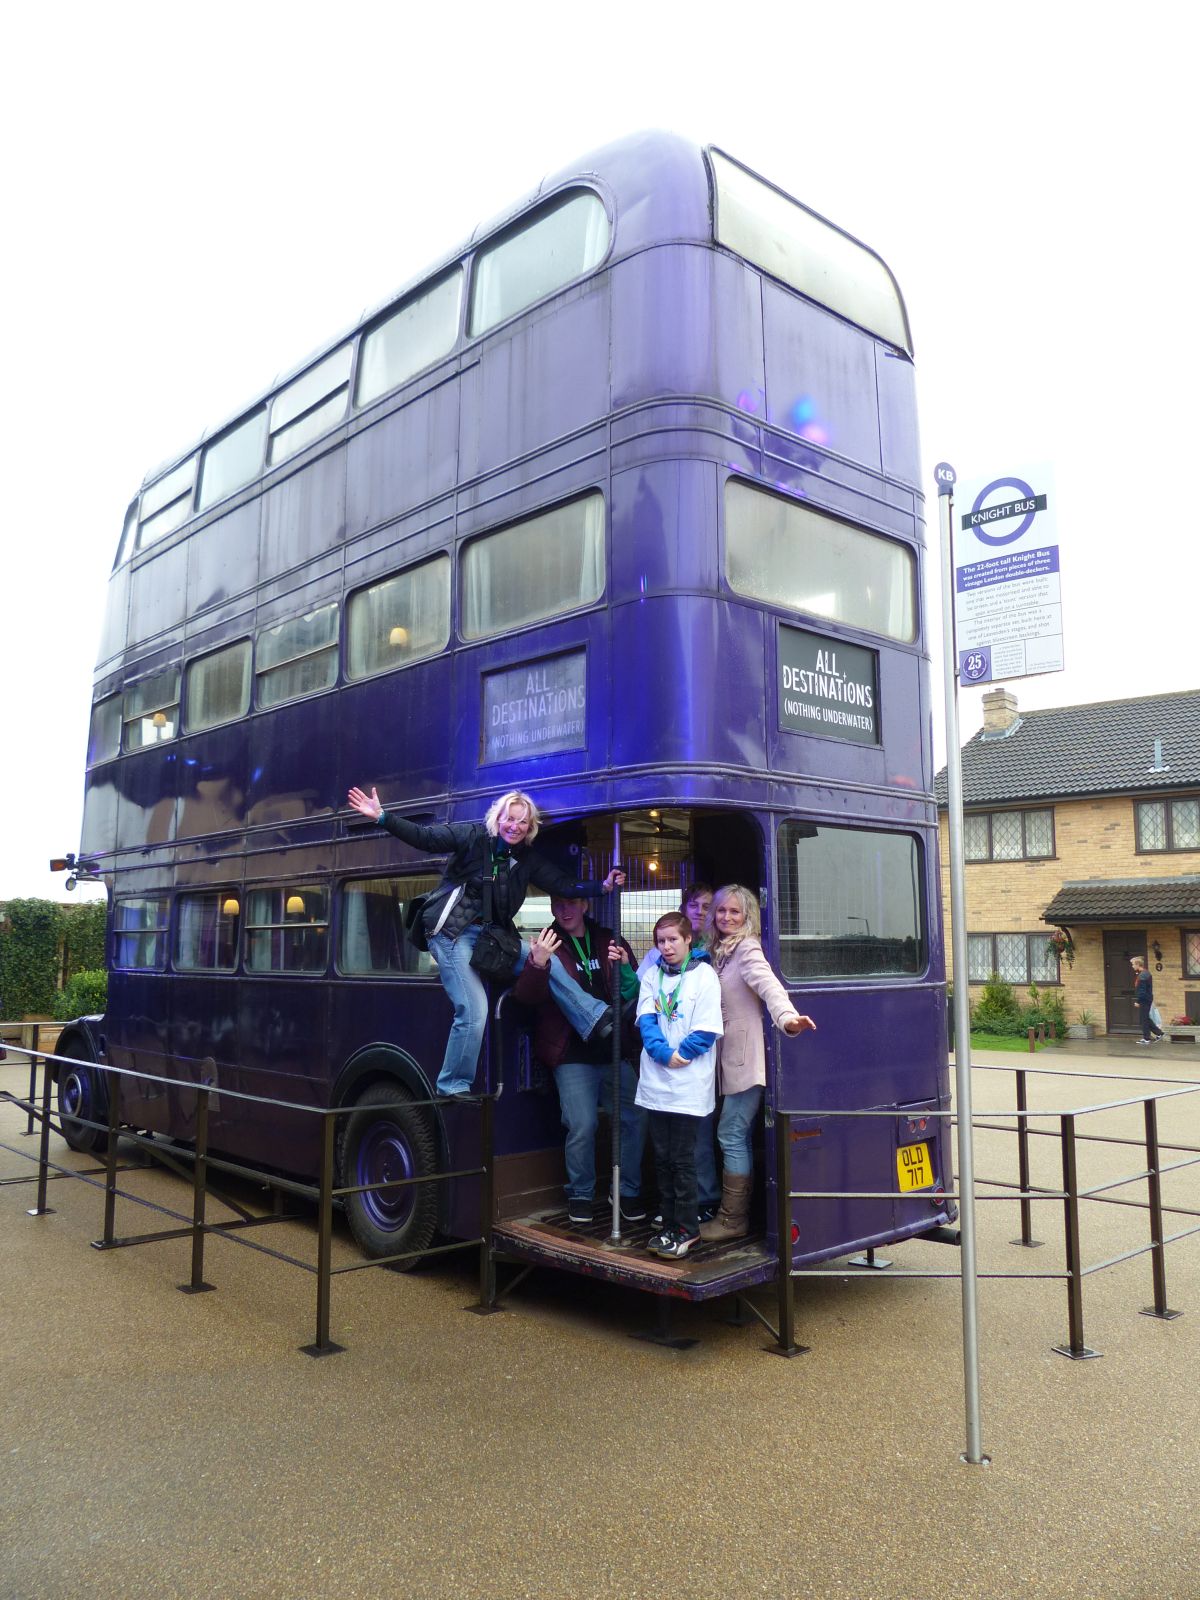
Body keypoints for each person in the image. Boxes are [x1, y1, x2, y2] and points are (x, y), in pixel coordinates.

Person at [347, 785, 625, 1094]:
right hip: (451, 934)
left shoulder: (526, 859)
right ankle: (453, 1083)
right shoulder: (472, 837)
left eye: (523, 822)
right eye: (510, 818)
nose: (514, 826)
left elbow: (562, 884)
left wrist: (602, 886)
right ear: (498, 818)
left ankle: (595, 1017)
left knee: (552, 963)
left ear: (530, 828)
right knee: (474, 1009)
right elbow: (426, 838)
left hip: (490, 937)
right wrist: (382, 817)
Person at [512, 897, 646, 1225]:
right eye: (558, 904)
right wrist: (538, 964)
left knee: (635, 1117)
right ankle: (581, 1194)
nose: (564, 910)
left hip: (613, 1048)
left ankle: (626, 1191)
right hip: (571, 1051)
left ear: (585, 905)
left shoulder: (608, 938)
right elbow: (526, 997)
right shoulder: (547, 941)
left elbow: (632, 989)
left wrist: (625, 966)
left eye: (571, 903)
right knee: (582, 1124)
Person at [701, 884, 816, 1242]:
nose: (727, 917)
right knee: (733, 1133)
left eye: (735, 912)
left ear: (747, 916)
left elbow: (769, 986)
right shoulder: (717, 950)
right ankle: (733, 1216)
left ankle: (732, 1220)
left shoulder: (747, 949)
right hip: (725, 1057)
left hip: (745, 1060)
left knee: (731, 1133)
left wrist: (788, 1018)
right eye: (722, 910)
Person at [635, 911, 723, 1259]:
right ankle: (669, 1224)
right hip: (657, 1083)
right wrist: (663, 1054)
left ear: (688, 940)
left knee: (683, 1160)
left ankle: (687, 1229)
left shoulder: (704, 976)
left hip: (688, 1085)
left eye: (673, 939)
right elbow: (646, 1020)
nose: (667, 946)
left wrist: (681, 1055)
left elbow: (707, 1028)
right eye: (661, 941)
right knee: (662, 1158)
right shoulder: (652, 975)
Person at [1131, 955, 1165, 1044]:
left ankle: (1147, 1038)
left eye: (1133, 964)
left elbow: (1142, 991)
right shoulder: (1144, 973)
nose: (1132, 966)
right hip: (1147, 998)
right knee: (1145, 1018)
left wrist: (1138, 1001)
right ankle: (1158, 1034)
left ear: (1138, 964)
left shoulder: (1143, 975)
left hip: (1145, 999)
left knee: (1144, 1019)